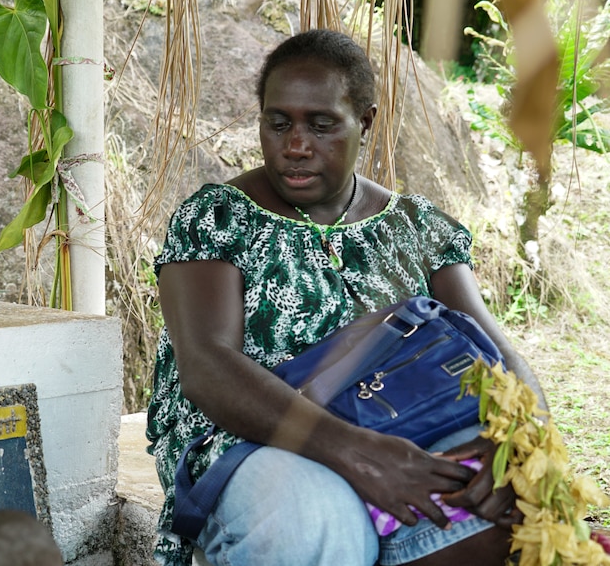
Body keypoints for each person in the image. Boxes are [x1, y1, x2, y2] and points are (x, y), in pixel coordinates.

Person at [145, 29, 546, 566]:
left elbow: (497, 352)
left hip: (407, 427)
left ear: (367, 122)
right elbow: (207, 369)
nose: (296, 145)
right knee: (313, 519)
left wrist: (521, 434)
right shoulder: (219, 219)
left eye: (322, 124)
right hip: (256, 441)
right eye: (278, 122)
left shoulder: (417, 228)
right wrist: (357, 453)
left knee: (506, 497)